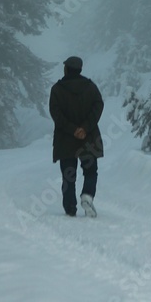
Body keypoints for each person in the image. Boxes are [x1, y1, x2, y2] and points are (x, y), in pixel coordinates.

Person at [49, 55, 104, 217]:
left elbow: (56, 114)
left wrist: (72, 129)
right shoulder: (90, 87)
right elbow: (98, 106)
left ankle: (70, 207)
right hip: (89, 138)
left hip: (65, 139)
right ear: (80, 69)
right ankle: (87, 195)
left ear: (66, 69)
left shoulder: (57, 89)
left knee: (68, 175)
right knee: (90, 171)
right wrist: (85, 128)